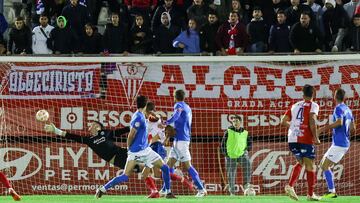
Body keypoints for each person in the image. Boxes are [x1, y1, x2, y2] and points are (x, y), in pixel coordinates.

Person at [95, 95, 176, 199]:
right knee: (125, 176)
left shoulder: (142, 115)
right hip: (136, 152)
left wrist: (160, 121)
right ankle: (103, 189)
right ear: (145, 105)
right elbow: (131, 134)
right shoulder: (138, 117)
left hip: (146, 150)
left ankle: (168, 192)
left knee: (164, 168)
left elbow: (153, 116)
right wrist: (129, 147)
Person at [159, 89, 207, 197]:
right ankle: (165, 189)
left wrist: (166, 122)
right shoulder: (188, 107)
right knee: (168, 165)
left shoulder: (178, 105)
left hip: (181, 141)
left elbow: (176, 115)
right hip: (179, 140)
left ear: (175, 96)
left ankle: (201, 189)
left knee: (188, 166)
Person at [142, 102, 194, 198]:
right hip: (156, 147)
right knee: (156, 173)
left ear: (147, 110)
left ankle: (158, 191)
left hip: (155, 147)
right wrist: (165, 137)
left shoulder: (152, 117)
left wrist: (151, 113)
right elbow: (164, 127)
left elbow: (156, 117)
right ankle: (161, 190)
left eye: (145, 110)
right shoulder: (150, 121)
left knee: (147, 172)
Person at [281, 84, 321, 201]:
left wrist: (294, 127)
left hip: (292, 139)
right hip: (304, 138)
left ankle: (290, 186)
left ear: (303, 94)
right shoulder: (314, 105)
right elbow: (312, 120)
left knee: (301, 162)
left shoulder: (295, 105)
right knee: (310, 165)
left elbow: (283, 121)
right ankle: (310, 194)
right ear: (313, 94)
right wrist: (316, 137)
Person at [318, 89, 356, 198]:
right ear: (344, 98)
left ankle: (332, 191)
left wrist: (322, 129)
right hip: (344, 142)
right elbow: (353, 128)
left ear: (334, 96)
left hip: (339, 143)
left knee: (324, 165)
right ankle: (332, 191)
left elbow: (339, 122)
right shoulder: (348, 109)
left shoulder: (338, 108)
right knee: (324, 164)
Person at [220, 115, 252, 196]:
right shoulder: (228, 131)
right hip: (231, 156)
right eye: (233, 121)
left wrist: (247, 150)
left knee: (248, 166)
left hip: (242, 155)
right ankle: (232, 192)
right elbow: (223, 144)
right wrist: (226, 154)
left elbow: (249, 143)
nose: (235, 123)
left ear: (240, 122)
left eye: (237, 121)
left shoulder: (245, 132)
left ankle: (246, 185)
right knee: (231, 174)